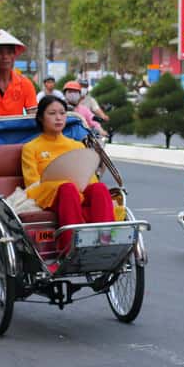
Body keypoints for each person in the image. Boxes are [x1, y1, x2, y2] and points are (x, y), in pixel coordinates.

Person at [21, 95, 115, 252]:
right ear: (41, 118)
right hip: (48, 194)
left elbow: (89, 178)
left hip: (77, 192)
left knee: (99, 188)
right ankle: (70, 248)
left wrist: (82, 193)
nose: (58, 118)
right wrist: (65, 187)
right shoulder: (30, 148)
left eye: (62, 113)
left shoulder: (77, 145)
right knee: (67, 188)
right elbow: (32, 184)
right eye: (52, 113)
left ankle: (106, 243)